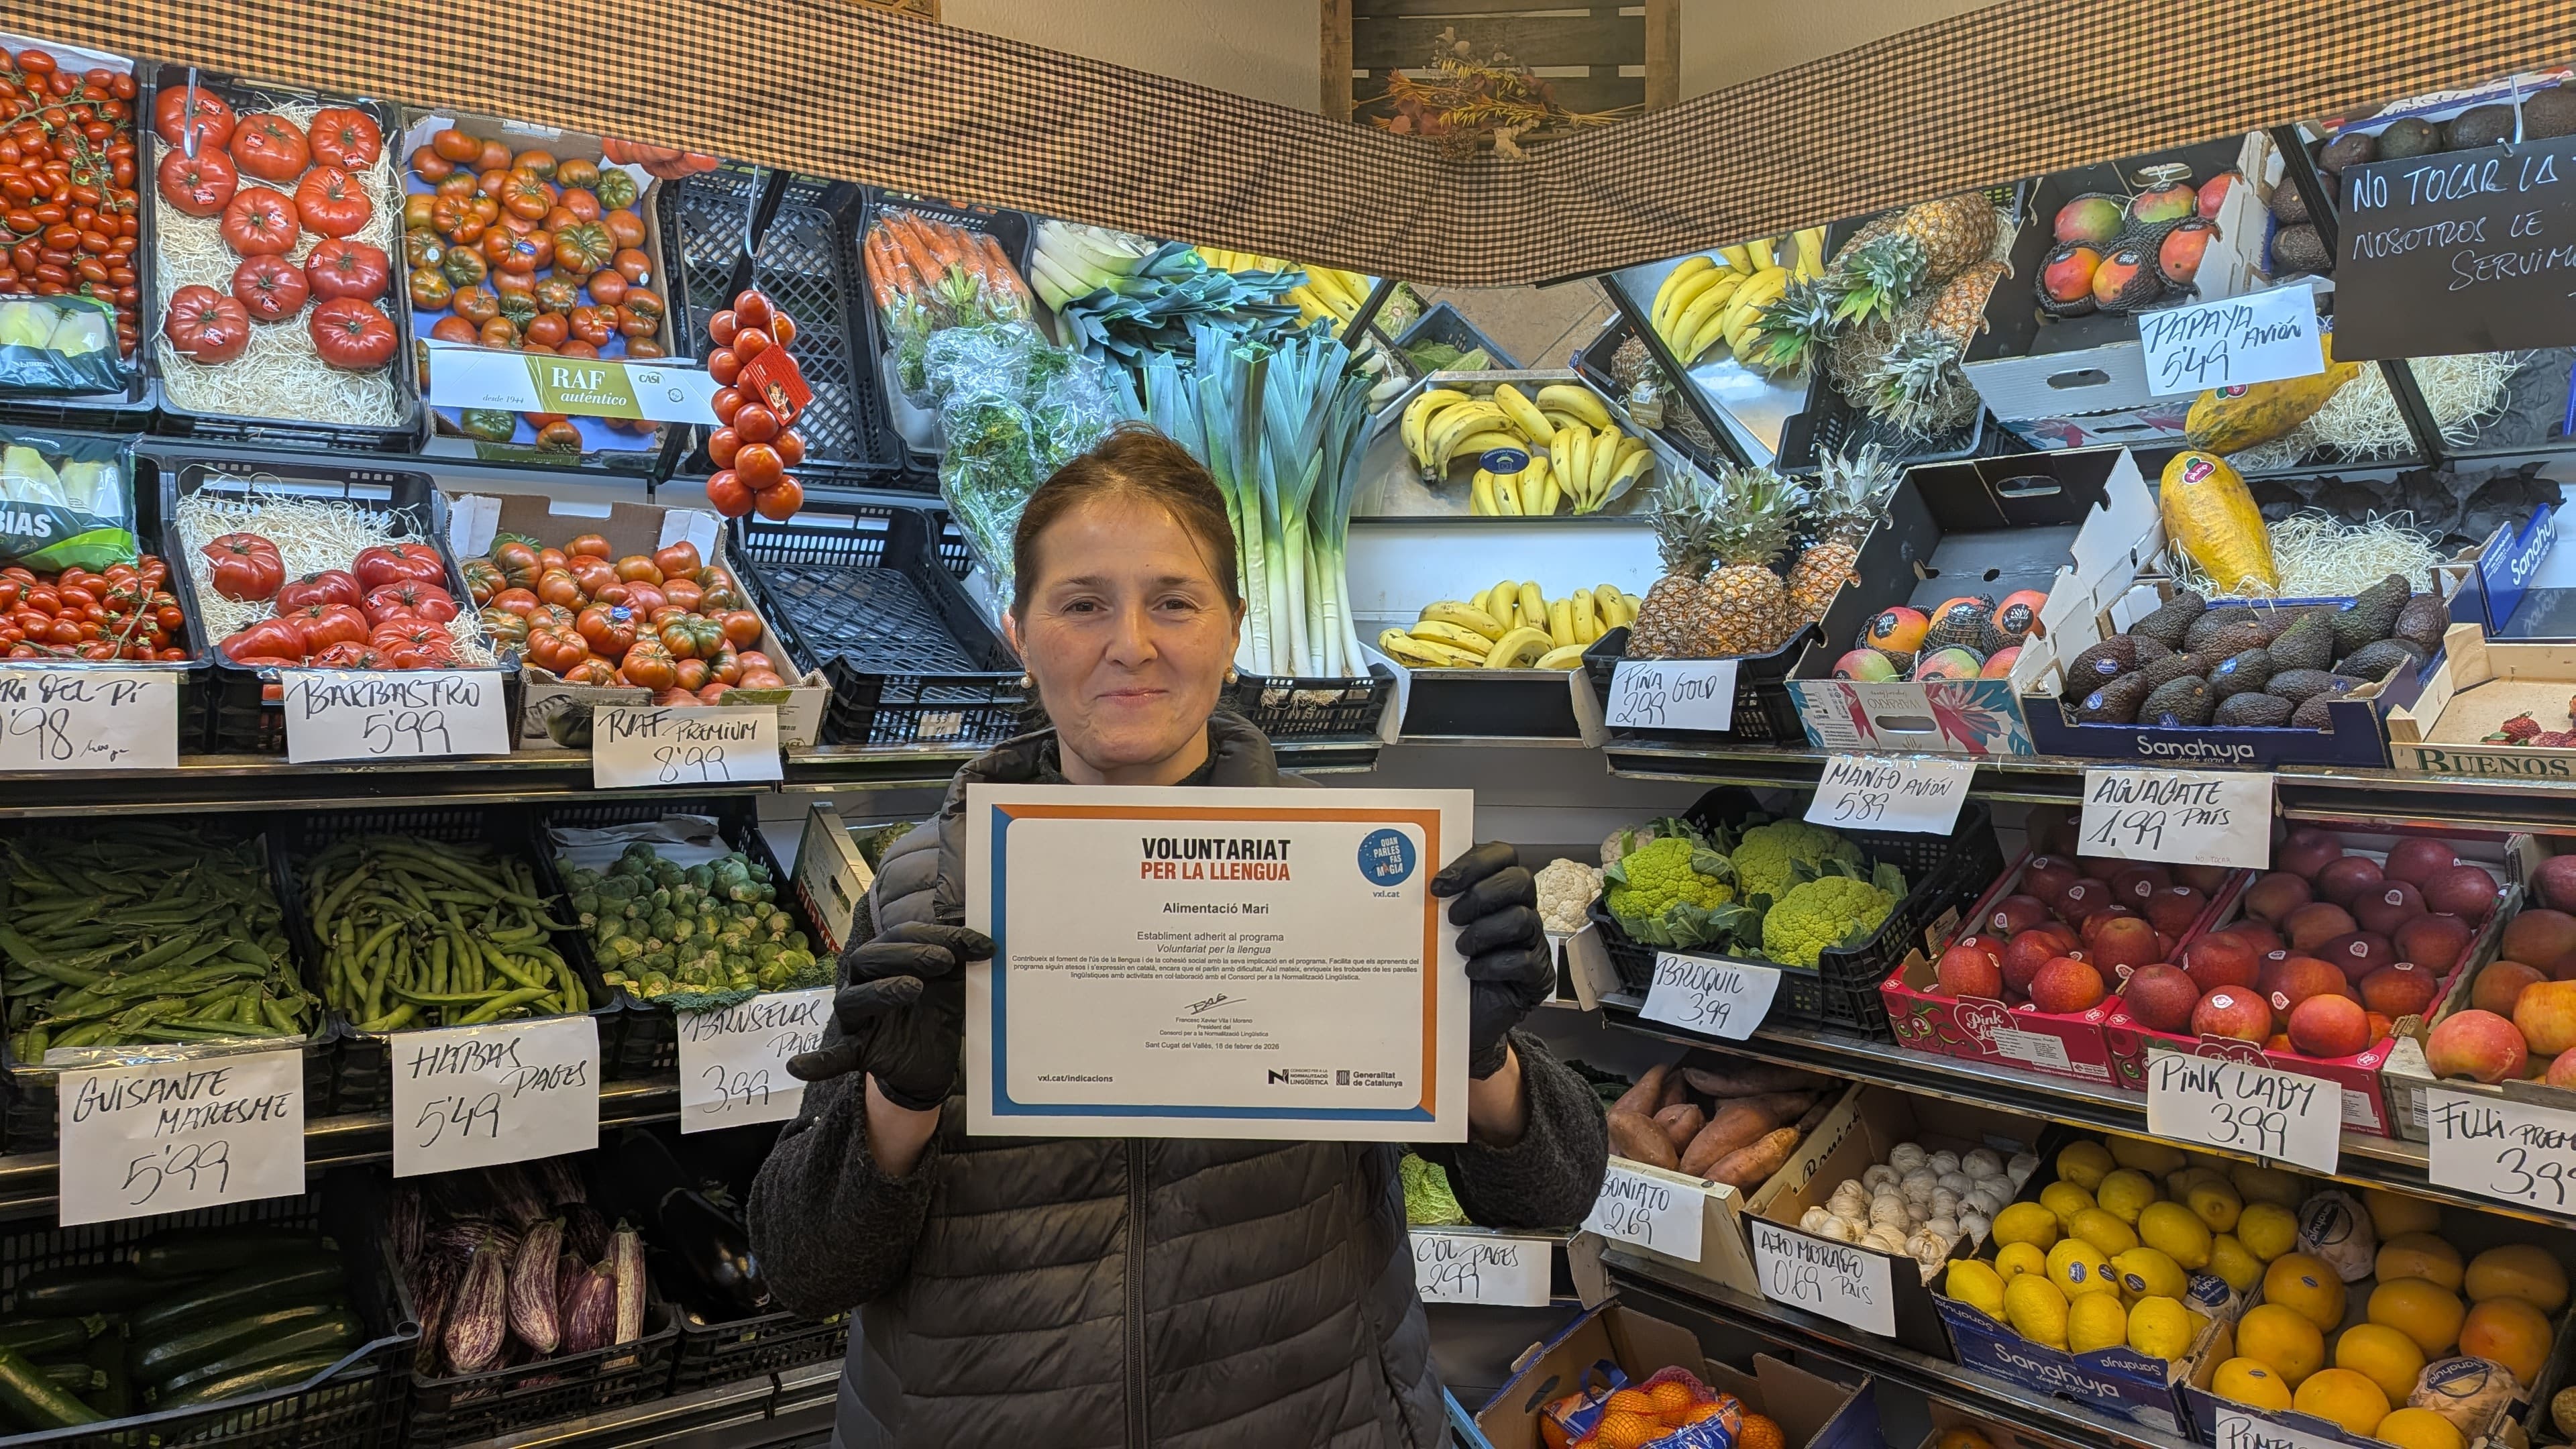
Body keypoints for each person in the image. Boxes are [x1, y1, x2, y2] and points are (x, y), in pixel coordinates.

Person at [749, 425, 1609, 1448]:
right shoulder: (922, 891)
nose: (1131, 644)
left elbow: (1551, 1196)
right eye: (1082, 604)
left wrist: (1481, 1058)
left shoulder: (1362, 879)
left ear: (1233, 629)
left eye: (1174, 602)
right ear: (1019, 634)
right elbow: (804, 1270)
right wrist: (896, 1105)